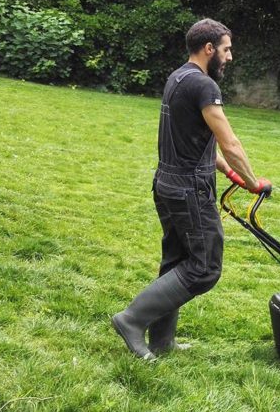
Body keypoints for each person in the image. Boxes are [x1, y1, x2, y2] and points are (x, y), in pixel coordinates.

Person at [112, 18, 271, 360]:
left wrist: (228, 172)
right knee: (204, 268)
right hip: (189, 191)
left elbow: (193, 140)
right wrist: (253, 181)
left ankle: (162, 341)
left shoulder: (177, 78)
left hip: (166, 184)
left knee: (175, 262)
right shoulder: (204, 86)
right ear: (209, 48)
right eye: (226, 49)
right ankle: (131, 319)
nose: (230, 56)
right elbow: (229, 142)